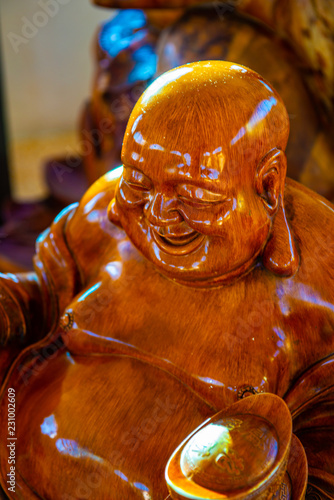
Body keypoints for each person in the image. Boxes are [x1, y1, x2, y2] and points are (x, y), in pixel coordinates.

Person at [0, 61, 333, 499]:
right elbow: (47, 292)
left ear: (267, 185)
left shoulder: (318, 280)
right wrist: (11, 302)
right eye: (138, 183)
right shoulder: (105, 212)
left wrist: (276, 485)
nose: (157, 213)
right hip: (12, 466)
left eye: (195, 195)